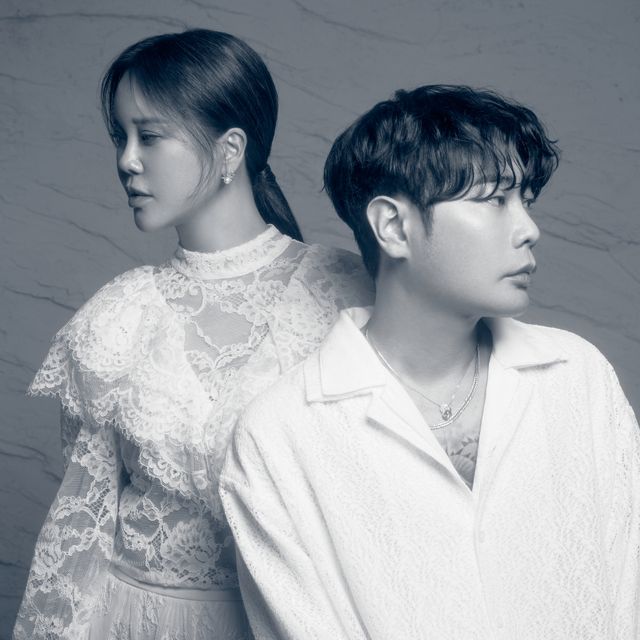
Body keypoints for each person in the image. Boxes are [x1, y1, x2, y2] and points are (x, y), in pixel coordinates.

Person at [220, 85, 640, 639]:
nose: (529, 229)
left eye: (526, 200)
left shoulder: (577, 376)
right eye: (495, 200)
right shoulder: (280, 434)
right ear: (394, 227)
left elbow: (628, 587)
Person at [13, 29, 372, 640]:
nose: (127, 160)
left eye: (149, 136)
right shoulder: (119, 315)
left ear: (230, 150)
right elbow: (81, 527)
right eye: (120, 137)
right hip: (135, 622)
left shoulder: (347, 295)